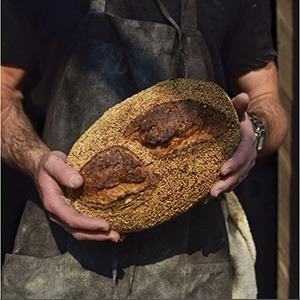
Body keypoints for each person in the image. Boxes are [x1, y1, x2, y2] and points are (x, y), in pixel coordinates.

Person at [1, 0, 287, 298]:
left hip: (189, 269)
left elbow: (266, 98)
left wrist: (256, 132)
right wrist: (35, 161)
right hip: (58, 255)